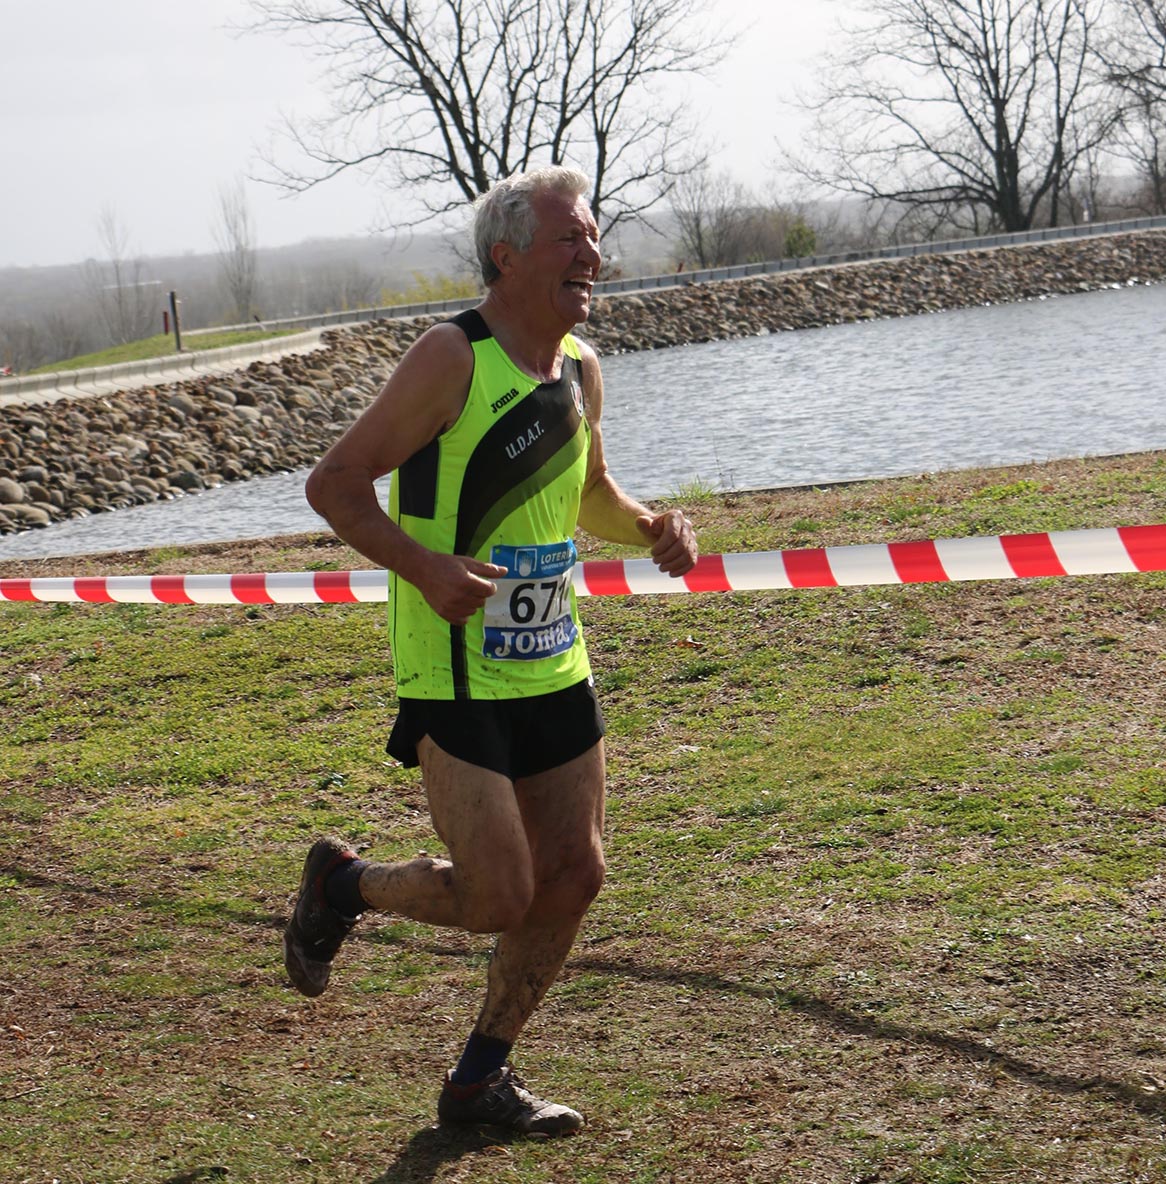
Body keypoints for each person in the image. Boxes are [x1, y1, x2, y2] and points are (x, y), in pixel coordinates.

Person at [285, 166, 697, 1137]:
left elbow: (589, 487)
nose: (592, 255)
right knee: (498, 890)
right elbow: (335, 484)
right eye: (571, 240)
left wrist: (650, 529)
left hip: (554, 653)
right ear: (506, 256)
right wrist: (425, 567)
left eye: (593, 238)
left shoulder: (583, 368)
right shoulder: (451, 358)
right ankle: (341, 883)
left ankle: (479, 1080)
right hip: (456, 662)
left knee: (577, 872)